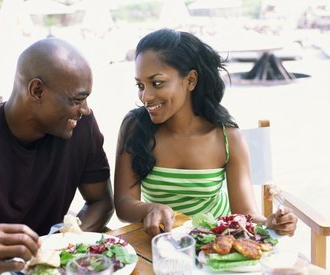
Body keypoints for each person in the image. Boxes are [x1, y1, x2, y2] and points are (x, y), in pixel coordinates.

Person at [114, 28, 297, 237]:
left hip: (216, 245)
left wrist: (271, 224)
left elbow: (246, 215)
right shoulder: (134, 127)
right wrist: (150, 208)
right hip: (161, 242)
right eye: (140, 85)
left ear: (190, 80)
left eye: (157, 83)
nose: (145, 96)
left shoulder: (228, 139)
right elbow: (123, 204)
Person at [0, 37, 114, 274]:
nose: (85, 109)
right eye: (77, 99)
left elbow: (101, 202)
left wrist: (61, 243)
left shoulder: (82, 127)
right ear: (36, 90)